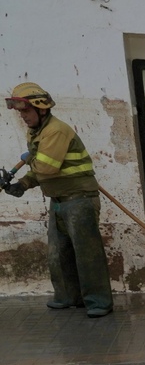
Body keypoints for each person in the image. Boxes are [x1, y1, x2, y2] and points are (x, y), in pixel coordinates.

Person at [3, 82, 114, 318]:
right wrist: (22, 184)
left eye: (26, 111)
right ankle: (67, 297)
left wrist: (30, 161)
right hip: (59, 200)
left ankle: (98, 302)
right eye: (21, 112)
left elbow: (45, 167)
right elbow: (40, 167)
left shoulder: (55, 131)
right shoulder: (37, 133)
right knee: (58, 253)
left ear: (41, 109)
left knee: (87, 253)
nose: (23, 117)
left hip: (80, 199)